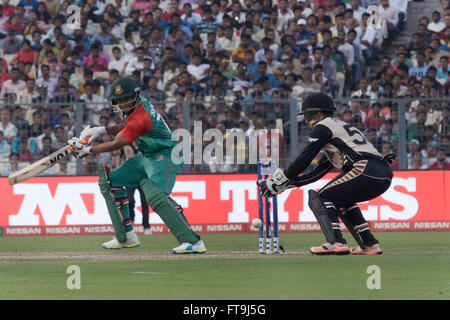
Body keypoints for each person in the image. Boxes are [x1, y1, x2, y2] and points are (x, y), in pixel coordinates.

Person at [68, 77, 206, 253]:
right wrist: (101, 130)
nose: (124, 103)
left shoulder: (141, 118)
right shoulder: (137, 107)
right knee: (111, 182)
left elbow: (116, 144)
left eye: (127, 98)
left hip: (167, 155)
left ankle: (192, 241)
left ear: (136, 95)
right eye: (120, 100)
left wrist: (86, 150)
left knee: (156, 195)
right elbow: (125, 125)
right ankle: (126, 237)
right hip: (147, 156)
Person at [258, 93, 393, 255]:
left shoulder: (322, 127)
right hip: (382, 172)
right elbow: (316, 173)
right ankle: (370, 244)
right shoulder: (338, 130)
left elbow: (305, 158)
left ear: (319, 114)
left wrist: (281, 179)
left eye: (308, 115)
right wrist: (286, 185)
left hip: (365, 168)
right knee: (341, 200)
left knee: (320, 197)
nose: (306, 121)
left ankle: (336, 242)